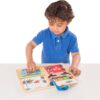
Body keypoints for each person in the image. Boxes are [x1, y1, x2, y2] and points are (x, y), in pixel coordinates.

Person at [26, 0, 81, 76]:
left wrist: (74, 66)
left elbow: (76, 55)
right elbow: (30, 45)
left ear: (68, 22)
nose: (54, 28)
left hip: (64, 71)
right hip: (46, 70)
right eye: (51, 23)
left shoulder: (72, 38)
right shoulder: (44, 33)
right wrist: (30, 60)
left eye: (59, 25)